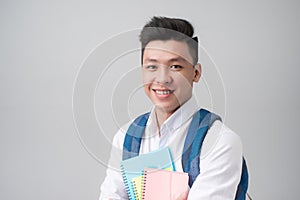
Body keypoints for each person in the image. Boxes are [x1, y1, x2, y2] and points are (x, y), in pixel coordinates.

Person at [99, 16, 244, 200]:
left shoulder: (219, 142)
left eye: (175, 66)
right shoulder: (125, 137)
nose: (162, 78)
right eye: (152, 66)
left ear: (196, 73)